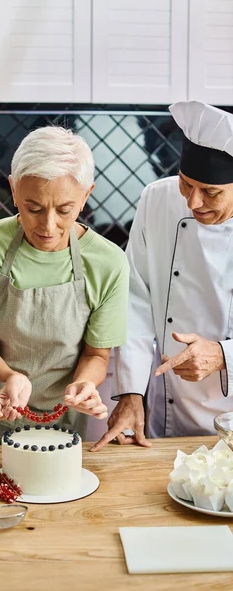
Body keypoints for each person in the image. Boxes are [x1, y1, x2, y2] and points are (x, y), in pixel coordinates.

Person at [0, 126, 129, 445]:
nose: (48, 225)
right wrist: (9, 376)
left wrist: (86, 384)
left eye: (64, 210)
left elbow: (97, 355)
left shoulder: (108, 262)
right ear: (14, 189)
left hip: (60, 423)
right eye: (33, 208)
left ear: (87, 195)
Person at [92, 101, 233, 451]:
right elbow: (135, 299)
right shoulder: (158, 199)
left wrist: (222, 354)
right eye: (186, 185)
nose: (193, 203)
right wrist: (131, 392)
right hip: (167, 411)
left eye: (211, 192)